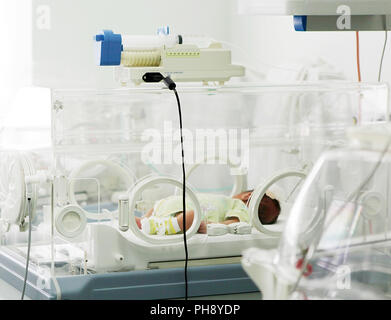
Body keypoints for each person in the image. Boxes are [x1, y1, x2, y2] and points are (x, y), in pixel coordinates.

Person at [135, 190, 281, 235]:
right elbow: (234, 221)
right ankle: (162, 225)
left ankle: (145, 222)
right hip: (185, 209)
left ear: (247, 196)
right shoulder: (231, 203)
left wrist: (214, 225)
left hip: (169, 202)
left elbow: (234, 222)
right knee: (192, 216)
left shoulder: (241, 207)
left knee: (190, 216)